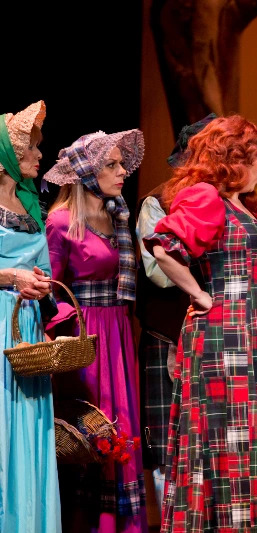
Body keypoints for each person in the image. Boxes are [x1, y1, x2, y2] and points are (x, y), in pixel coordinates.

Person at [145, 115, 257, 532]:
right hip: (225, 340)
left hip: (255, 338)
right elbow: (163, 249)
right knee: (228, 437)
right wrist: (199, 294)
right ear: (235, 160)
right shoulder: (205, 196)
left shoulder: (241, 202)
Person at [44, 128, 147, 532]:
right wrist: (67, 325)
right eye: (112, 165)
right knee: (94, 426)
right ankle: (91, 524)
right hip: (88, 335)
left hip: (119, 330)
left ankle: (122, 523)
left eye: (121, 164)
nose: (122, 172)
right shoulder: (60, 222)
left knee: (122, 422)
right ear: (88, 173)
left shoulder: (118, 215)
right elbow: (50, 289)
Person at [134, 114, 214, 513]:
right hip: (170, 333)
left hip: (216, 336)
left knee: (215, 439)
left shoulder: (233, 202)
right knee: (168, 446)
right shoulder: (158, 202)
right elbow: (158, 271)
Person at [0, 100, 61, 532]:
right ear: (7, 155)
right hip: (0, 322)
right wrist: (11, 276)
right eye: (32, 148)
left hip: (28, 326)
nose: (40, 155)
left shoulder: (29, 202)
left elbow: (41, 267)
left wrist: (40, 284)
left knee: (30, 423)